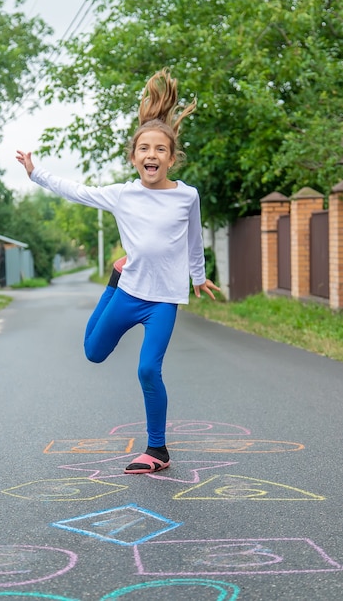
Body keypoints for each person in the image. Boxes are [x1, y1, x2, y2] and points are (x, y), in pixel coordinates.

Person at [16, 68, 220, 474]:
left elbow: (194, 240)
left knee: (148, 368)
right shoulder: (122, 195)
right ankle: (112, 278)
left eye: (160, 150)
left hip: (164, 299)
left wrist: (198, 277)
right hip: (128, 292)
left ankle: (157, 450)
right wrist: (36, 174)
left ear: (171, 157)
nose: (152, 155)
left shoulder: (186, 197)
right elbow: (77, 191)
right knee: (93, 353)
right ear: (133, 157)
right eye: (144, 148)